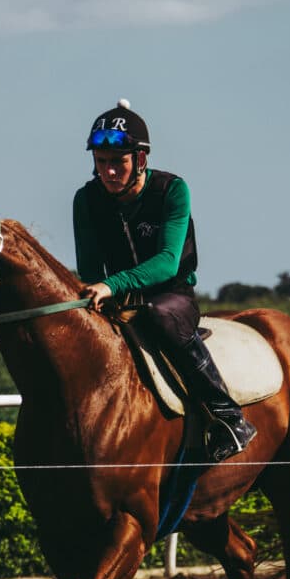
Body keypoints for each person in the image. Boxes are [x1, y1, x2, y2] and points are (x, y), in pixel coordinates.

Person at [73, 98, 257, 463]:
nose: (109, 172)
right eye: (102, 162)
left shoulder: (173, 190)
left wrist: (113, 285)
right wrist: (103, 292)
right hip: (120, 301)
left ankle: (229, 417)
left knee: (159, 313)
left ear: (140, 159)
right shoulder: (85, 200)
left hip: (173, 297)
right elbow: (90, 268)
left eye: (119, 162)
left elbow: (167, 263)